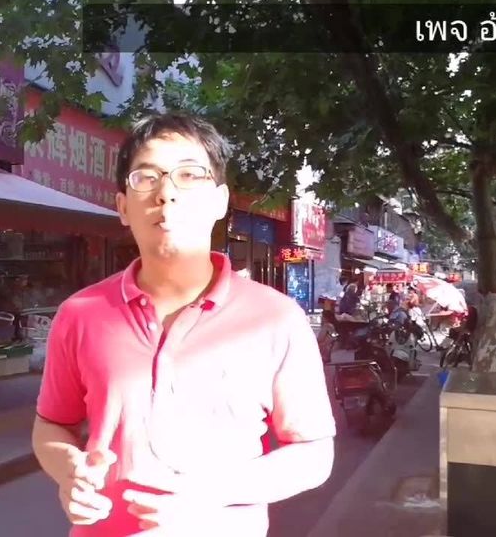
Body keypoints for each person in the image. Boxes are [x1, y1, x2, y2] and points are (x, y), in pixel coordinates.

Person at [32, 113, 336, 536]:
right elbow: (51, 424)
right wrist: (70, 470)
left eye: (189, 175)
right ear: (123, 207)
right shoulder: (80, 313)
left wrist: (209, 493)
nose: (166, 193)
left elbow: (314, 454)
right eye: (146, 177)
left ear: (220, 201)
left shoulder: (276, 318)